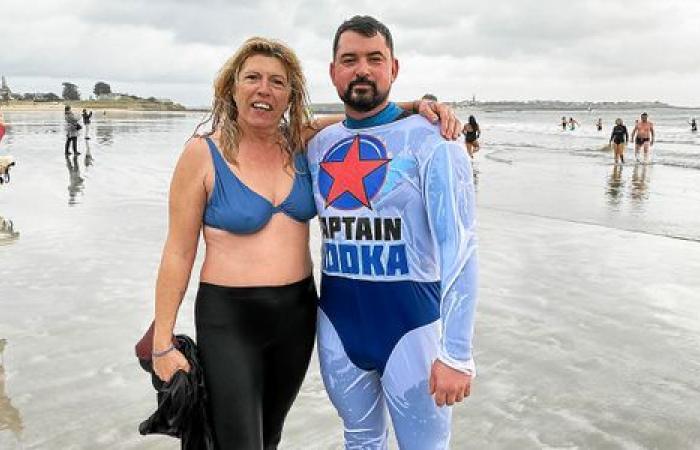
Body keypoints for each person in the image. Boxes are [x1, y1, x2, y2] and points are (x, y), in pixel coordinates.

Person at [149, 36, 461, 449]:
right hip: (229, 317)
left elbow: (360, 116)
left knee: (270, 434)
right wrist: (161, 344)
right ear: (232, 87)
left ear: (291, 95)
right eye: (253, 78)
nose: (264, 89)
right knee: (238, 441)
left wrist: (421, 108)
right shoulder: (202, 154)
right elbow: (178, 251)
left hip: (297, 316)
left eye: (277, 82)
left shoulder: (300, 141)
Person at [307, 16, 478, 449]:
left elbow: (461, 249)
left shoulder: (435, 142)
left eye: (374, 59)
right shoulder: (315, 146)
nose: (362, 69)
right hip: (338, 326)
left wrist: (457, 353)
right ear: (333, 72)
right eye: (349, 60)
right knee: (360, 440)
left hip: (412, 329)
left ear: (394, 68)